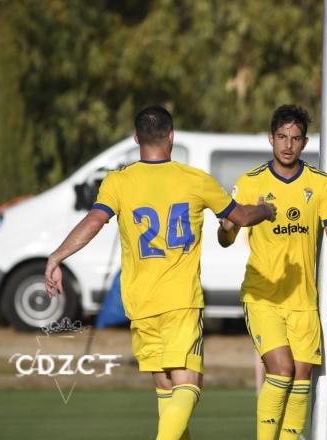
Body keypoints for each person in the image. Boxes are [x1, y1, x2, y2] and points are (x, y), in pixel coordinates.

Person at [44, 105, 277, 440]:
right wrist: (266, 210)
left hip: (140, 304)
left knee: (166, 388)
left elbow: (94, 221)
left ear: (136, 137)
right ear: (171, 137)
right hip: (180, 301)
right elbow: (239, 217)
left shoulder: (118, 182)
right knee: (189, 384)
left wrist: (57, 257)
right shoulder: (195, 179)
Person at [218, 104, 327, 440]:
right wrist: (227, 227)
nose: (288, 145)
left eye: (295, 138)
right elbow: (226, 238)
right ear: (270, 138)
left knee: (301, 377)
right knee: (282, 370)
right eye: (281, 137)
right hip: (263, 297)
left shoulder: (320, 185)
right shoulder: (249, 183)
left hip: (303, 301)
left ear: (304, 143)